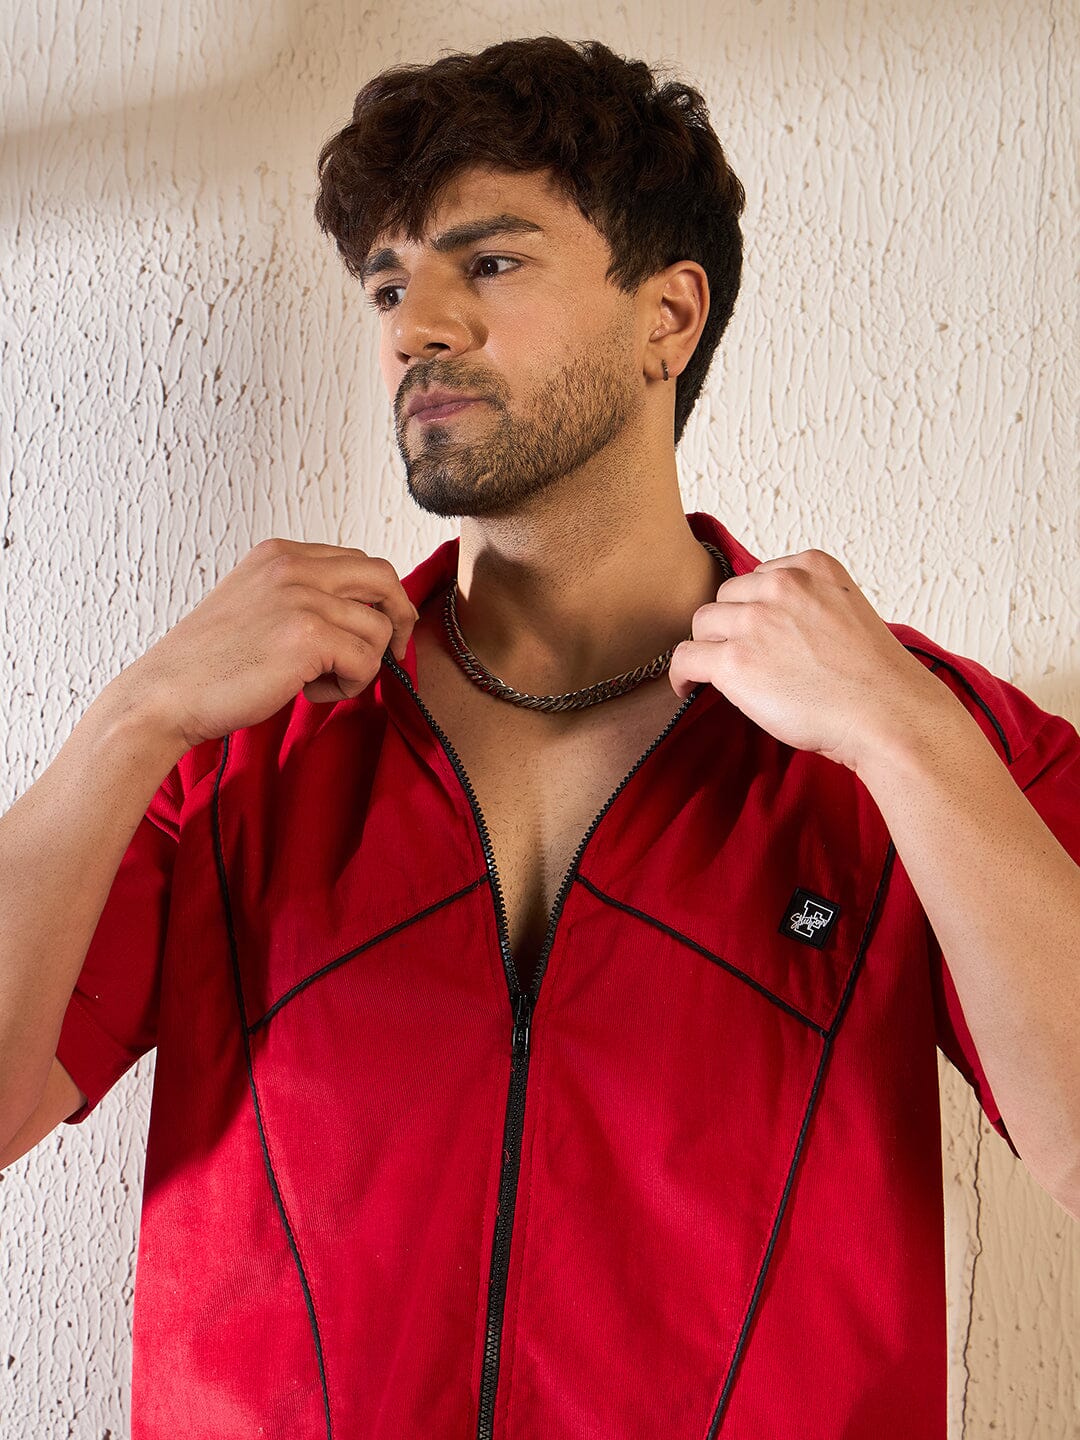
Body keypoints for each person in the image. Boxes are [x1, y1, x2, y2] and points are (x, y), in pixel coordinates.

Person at [1, 34, 1076, 1440]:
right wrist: (130, 717)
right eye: (389, 284)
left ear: (668, 317)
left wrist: (910, 741)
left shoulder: (909, 733)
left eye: (490, 262)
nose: (415, 327)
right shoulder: (240, 745)